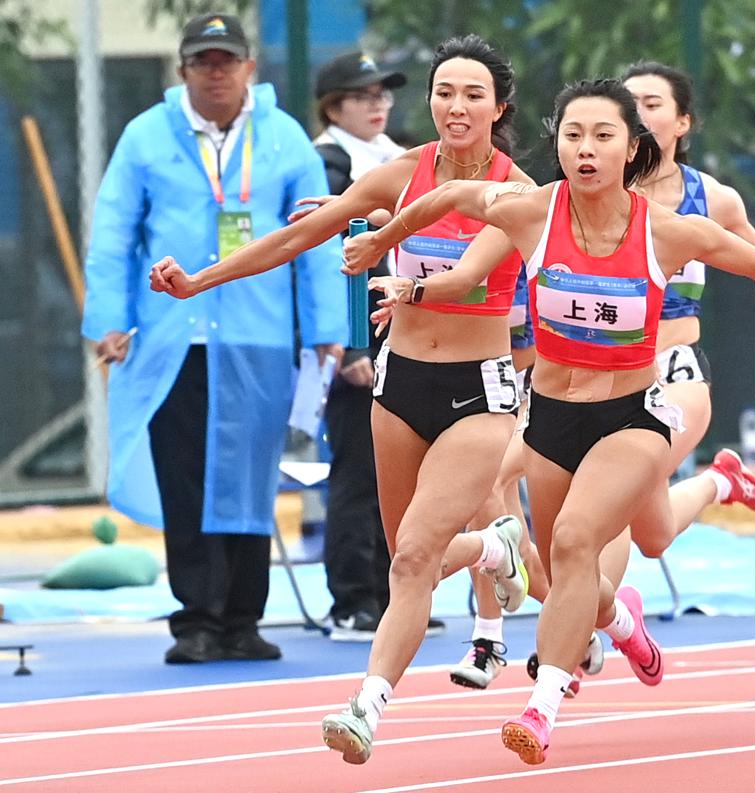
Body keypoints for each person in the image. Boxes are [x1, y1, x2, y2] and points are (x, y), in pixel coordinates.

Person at [344, 78, 755, 764]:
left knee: (576, 538)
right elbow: (444, 197)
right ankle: (624, 612)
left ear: (632, 148)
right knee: (592, 568)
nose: (586, 150)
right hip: (552, 419)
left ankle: (543, 704)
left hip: (632, 416)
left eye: (603, 136)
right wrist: (385, 235)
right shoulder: (531, 212)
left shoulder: (668, 230)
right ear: (557, 143)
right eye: (573, 136)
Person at [150, 35, 537, 761]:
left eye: (473, 94)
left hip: (478, 393)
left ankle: (366, 705)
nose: (455, 106)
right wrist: (199, 281)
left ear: (499, 107)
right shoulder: (401, 172)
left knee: (412, 558)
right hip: (400, 386)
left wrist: (394, 259)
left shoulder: (516, 194)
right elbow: (291, 241)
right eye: (444, 91)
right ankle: (495, 547)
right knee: (406, 557)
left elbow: (468, 271)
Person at [82, 13, 347, 664]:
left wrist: (326, 331)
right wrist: (109, 319)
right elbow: (114, 232)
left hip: (257, 335)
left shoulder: (284, 139)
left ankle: (243, 618)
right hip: (175, 335)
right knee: (186, 476)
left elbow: (317, 239)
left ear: (250, 67)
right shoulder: (146, 137)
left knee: (251, 474)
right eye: (204, 61)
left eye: (228, 60)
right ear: (183, 71)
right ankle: (196, 618)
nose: (217, 71)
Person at [309, 50, 409, 641]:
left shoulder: (399, 160)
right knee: (356, 470)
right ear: (333, 107)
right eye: (362, 95)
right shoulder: (326, 164)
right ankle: (352, 599)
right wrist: (348, 347)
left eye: (383, 94)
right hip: (356, 334)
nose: (378, 104)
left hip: (404, 328)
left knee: (399, 472)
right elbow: (325, 257)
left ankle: (392, 593)